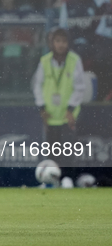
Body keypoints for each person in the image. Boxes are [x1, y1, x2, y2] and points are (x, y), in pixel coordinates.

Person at [32, 28, 85, 161]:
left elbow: (79, 87)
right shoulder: (44, 61)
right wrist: (42, 108)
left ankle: (67, 181)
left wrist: (70, 110)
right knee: (51, 156)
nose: (61, 45)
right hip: (50, 116)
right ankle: (54, 181)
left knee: (67, 156)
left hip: (68, 117)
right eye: (57, 41)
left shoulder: (74, 60)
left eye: (64, 41)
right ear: (52, 43)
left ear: (68, 43)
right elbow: (37, 85)